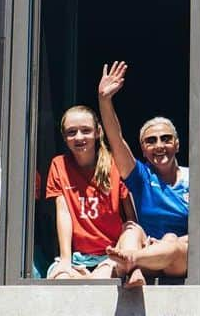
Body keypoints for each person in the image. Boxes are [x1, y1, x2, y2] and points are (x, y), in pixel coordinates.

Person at [97, 61, 189, 287]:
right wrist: (104, 100)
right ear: (143, 150)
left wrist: (163, 246)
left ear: (177, 144)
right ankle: (133, 269)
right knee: (131, 229)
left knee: (172, 241)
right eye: (151, 141)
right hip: (147, 251)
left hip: (180, 257)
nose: (159, 145)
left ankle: (130, 262)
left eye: (166, 139)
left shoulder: (196, 179)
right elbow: (115, 139)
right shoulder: (141, 176)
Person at [44, 105, 135, 280]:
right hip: (78, 257)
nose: (79, 137)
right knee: (61, 278)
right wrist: (65, 260)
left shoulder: (115, 164)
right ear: (64, 137)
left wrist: (121, 252)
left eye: (86, 130)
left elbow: (130, 221)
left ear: (98, 131)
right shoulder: (59, 165)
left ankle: (89, 278)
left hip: (112, 254)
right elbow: (63, 213)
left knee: (98, 281)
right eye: (71, 132)